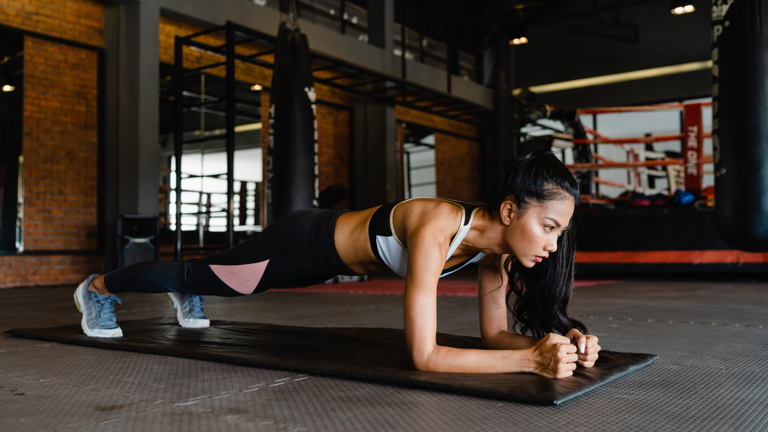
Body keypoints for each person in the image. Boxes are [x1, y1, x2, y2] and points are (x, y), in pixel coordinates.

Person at [74, 149, 600, 378]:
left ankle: (190, 290)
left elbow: (493, 340)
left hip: (327, 263)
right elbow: (426, 356)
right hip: (302, 240)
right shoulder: (439, 224)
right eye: (549, 228)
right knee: (202, 276)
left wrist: (556, 344)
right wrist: (532, 362)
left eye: (561, 233)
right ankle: (98, 288)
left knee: (227, 284)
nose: (554, 246)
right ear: (510, 210)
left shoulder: (497, 255)